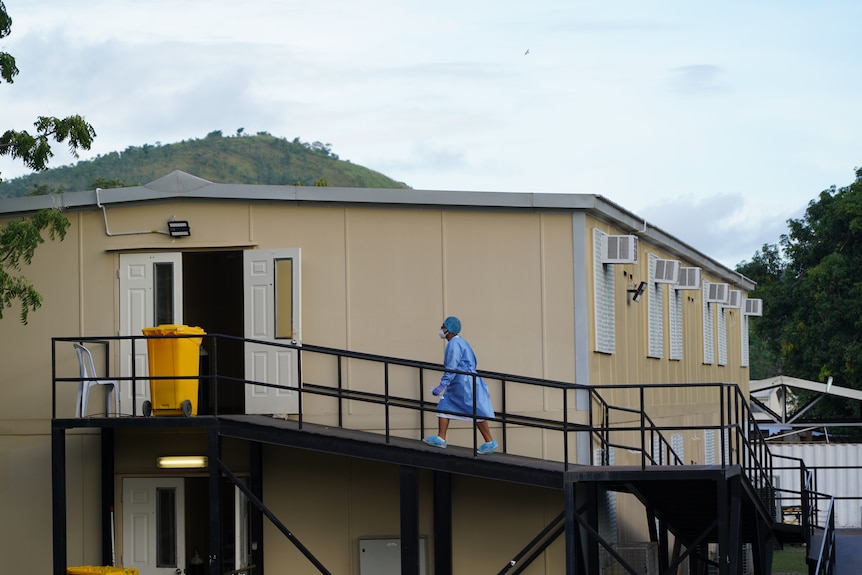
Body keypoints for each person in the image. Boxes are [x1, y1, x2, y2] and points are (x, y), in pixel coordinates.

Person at [423, 316, 497, 454]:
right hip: (466, 381)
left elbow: (452, 366)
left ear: (448, 330)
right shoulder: (462, 342)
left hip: (461, 382)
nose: (441, 329)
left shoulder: (453, 345)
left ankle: (442, 438)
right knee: (459, 408)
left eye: (443, 327)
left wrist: (442, 385)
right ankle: (488, 441)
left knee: (452, 407)